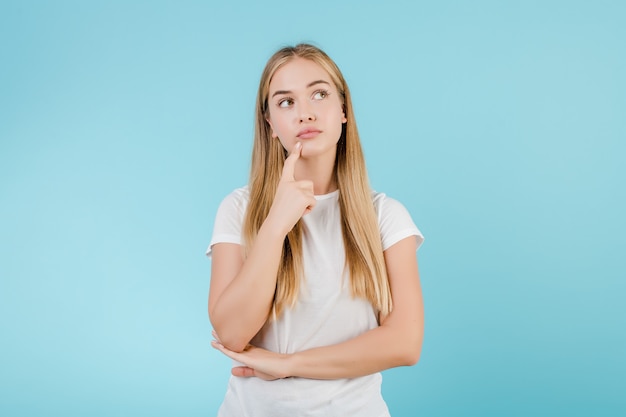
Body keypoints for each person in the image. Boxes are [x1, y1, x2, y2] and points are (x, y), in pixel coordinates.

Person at [206, 43, 424, 417]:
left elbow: (405, 343)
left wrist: (288, 364)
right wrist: (275, 225)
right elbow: (232, 332)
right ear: (270, 124)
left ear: (343, 110)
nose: (305, 113)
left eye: (319, 94)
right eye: (286, 102)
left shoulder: (385, 216)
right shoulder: (238, 209)